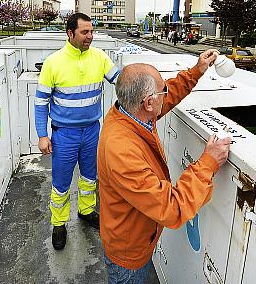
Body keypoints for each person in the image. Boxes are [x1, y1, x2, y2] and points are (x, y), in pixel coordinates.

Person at [97, 49, 231, 283]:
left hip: (138, 238)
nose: (166, 93)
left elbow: (167, 97)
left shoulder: (128, 112)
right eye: (162, 91)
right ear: (149, 102)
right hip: (129, 255)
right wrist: (208, 162)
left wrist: (197, 71)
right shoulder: (122, 150)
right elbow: (172, 208)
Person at [34, 12, 120, 250]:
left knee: (89, 177)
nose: (90, 37)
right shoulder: (53, 63)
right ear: (70, 33)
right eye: (84, 32)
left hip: (92, 130)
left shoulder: (100, 57)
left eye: (92, 32)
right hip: (64, 134)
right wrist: (43, 135)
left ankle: (86, 210)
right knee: (61, 182)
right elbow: (41, 103)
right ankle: (59, 224)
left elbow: (120, 80)